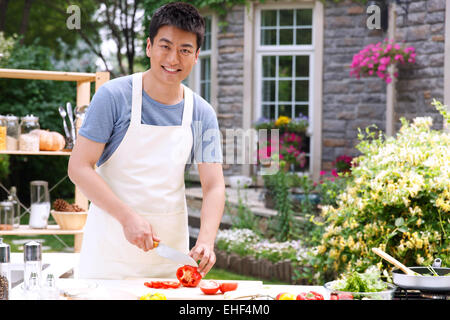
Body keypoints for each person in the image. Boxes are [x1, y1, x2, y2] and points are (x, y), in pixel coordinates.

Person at [68, 2, 225, 280]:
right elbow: (79, 167)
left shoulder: (202, 113)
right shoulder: (114, 97)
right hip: (108, 257)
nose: (174, 59)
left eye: (185, 50)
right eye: (166, 46)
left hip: (170, 259)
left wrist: (206, 240)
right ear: (149, 47)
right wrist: (127, 218)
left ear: (197, 55)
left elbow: (213, 185)